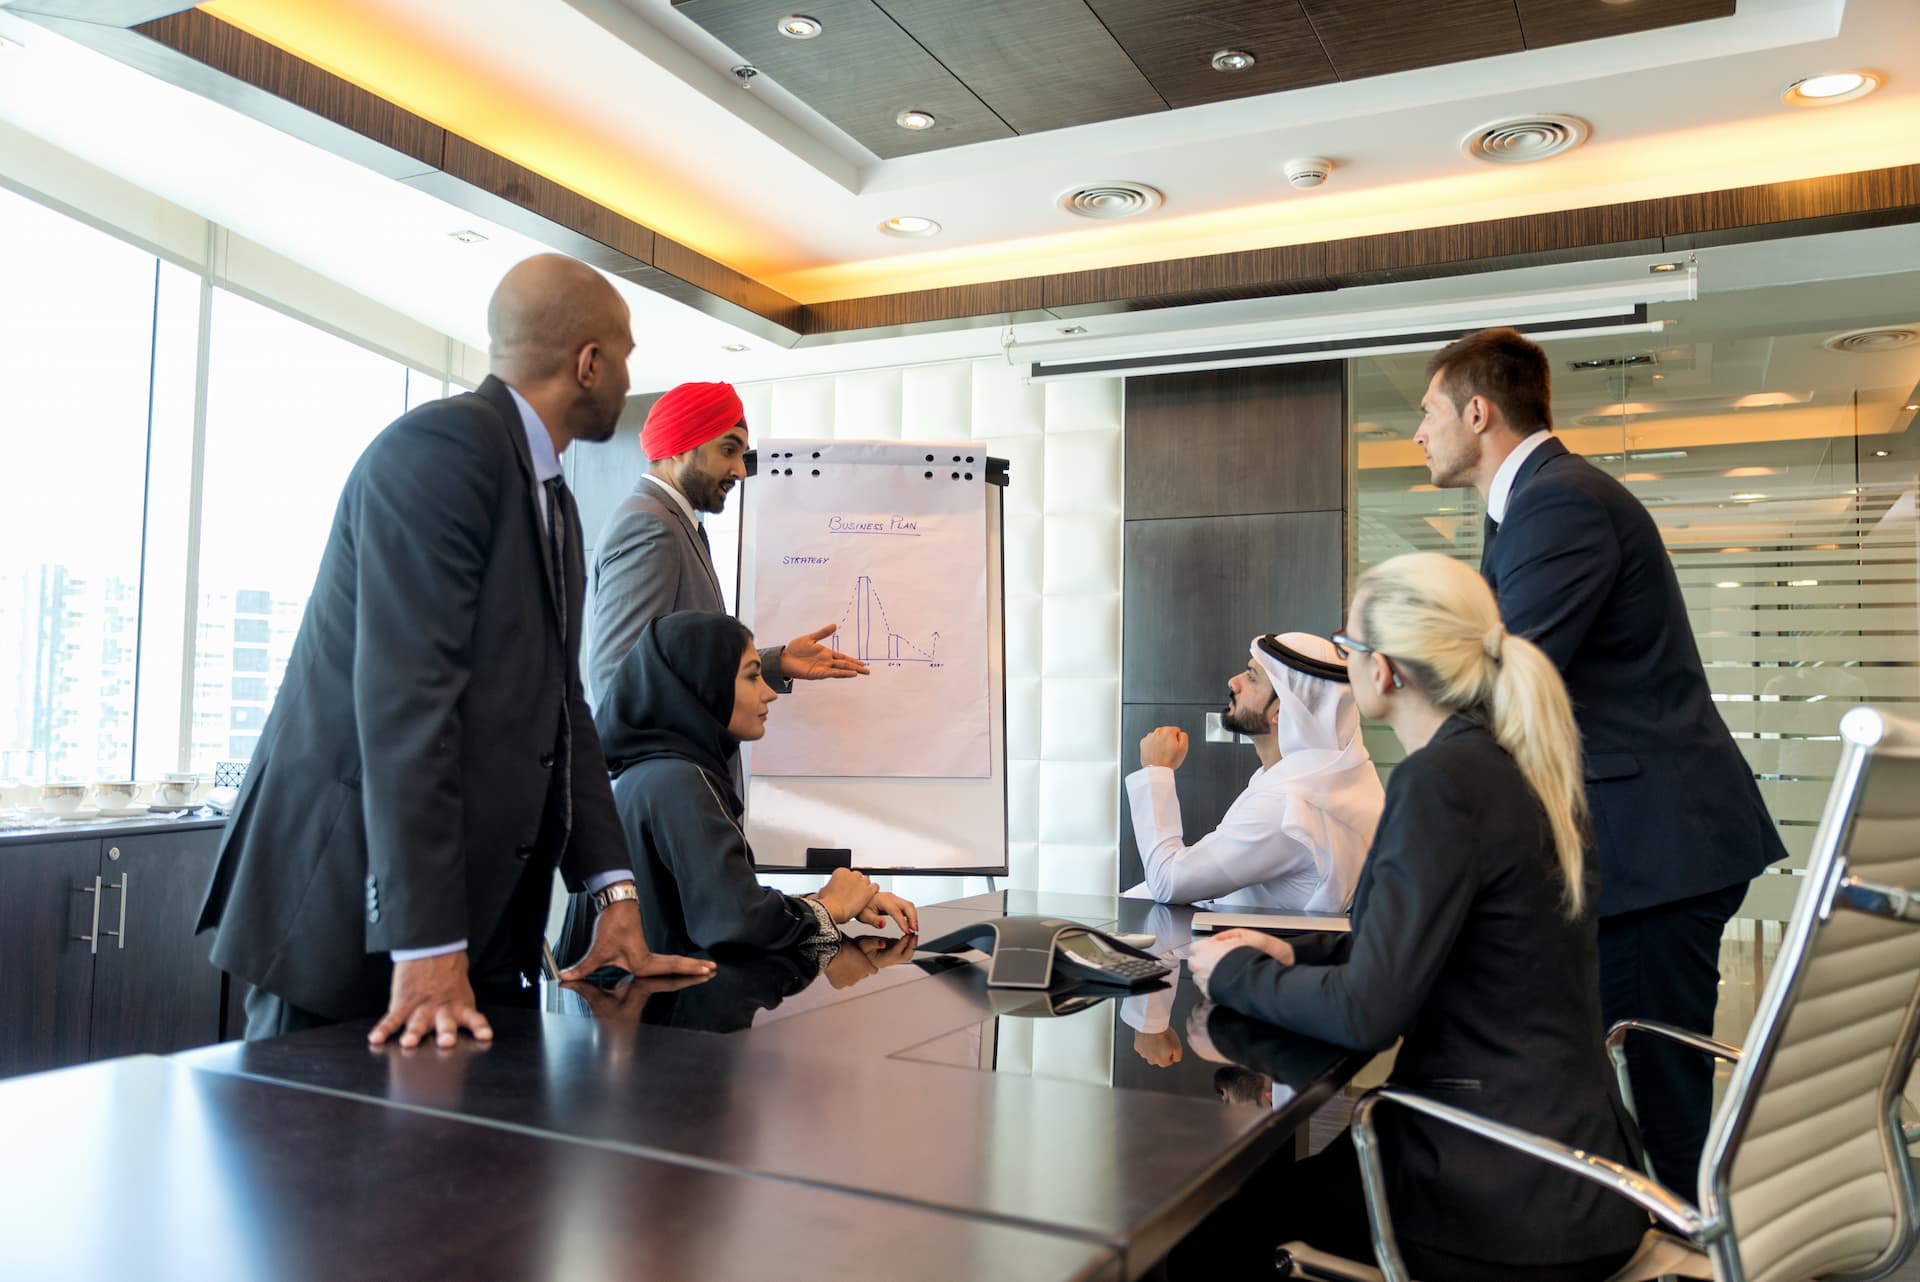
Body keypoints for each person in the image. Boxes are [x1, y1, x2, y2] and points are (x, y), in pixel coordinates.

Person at [196, 254, 713, 1049]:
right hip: (350, 926)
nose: (627, 374)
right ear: (589, 363)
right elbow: (406, 699)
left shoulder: (551, 495)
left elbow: (562, 704)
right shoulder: (442, 449)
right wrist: (428, 941)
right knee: (312, 1130)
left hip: (474, 926)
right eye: (626, 354)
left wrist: (614, 894)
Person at [1179, 552, 1648, 1282]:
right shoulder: (1515, 764)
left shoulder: (1440, 780)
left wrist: (1234, 972)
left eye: (1350, 645)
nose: (1346, 662)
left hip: (1498, 1193)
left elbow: (1368, 1012)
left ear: (1387, 670)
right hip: (1575, 1175)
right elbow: (1433, 941)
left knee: (1193, 1233)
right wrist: (1294, 955)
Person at [1416, 326, 1783, 1186]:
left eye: (1430, 411)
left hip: (1652, 850)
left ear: (1479, 412)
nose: (1420, 432)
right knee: (1633, 1093)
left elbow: (1511, 682)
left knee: (1658, 1108)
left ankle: (1691, 1245)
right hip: (1649, 843)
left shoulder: (1560, 504)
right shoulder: (1539, 504)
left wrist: (1416, 748)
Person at [588, 610, 919, 958]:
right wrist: (830, 908)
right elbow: (734, 925)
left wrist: (827, 902)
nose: (769, 693)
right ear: (705, 683)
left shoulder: (649, 773)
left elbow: (724, 903)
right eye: (751, 676)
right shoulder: (681, 782)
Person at [585, 380, 866, 707]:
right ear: (680, 447)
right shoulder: (650, 526)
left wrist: (777, 662)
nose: (741, 471)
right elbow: (619, 678)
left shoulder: (672, 522)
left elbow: (689, 660)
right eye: (728, 450)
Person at [1125, 633, 1381, 911]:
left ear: (1281, 711)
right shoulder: (1309, 780)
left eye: (1252, 677)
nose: (1233, 682)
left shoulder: (1287, 805)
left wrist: (1156, 770)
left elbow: (1168, 881)